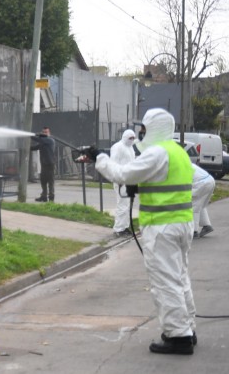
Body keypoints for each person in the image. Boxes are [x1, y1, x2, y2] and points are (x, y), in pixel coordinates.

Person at [87, 108, 197, 355]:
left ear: (154, 128)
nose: (140, 134)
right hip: (181, 223)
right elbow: (162, 180)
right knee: (180, 277)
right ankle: (188, 327)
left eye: (144, 129)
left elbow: (122, 174)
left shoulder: (157, 152)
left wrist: (100, 158)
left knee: (165, 282)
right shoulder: (177, 151)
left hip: (162, 226)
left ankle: (178, 336)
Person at [109, 129, 137, 237]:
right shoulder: (118, 147)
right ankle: (118, 228)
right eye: (130, 138)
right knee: (122, 205)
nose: (132, 140)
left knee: (127, 205)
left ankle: (125, 227)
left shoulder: (130, 148)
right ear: (125, 137)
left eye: (133, 138)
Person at [30, 126, 56, 202]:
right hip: (44, 164)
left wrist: (32, 135)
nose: (44, 133)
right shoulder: (43, 142)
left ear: (49, 133)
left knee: (50, 181)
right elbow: (35, 147)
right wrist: (27, 148)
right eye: (43, 132)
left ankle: (51, 198)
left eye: (46, 132)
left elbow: (38, 139)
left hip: (50, 164)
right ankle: (44, 197)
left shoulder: (50, 140)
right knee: (43, 180)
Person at [191, 162, 215, 238]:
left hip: (201, 183)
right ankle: (207, 225)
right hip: (210, 180)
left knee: (193, 205)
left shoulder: (179, 167)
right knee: (199, 204)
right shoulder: (187, 163)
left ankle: (194, 231)